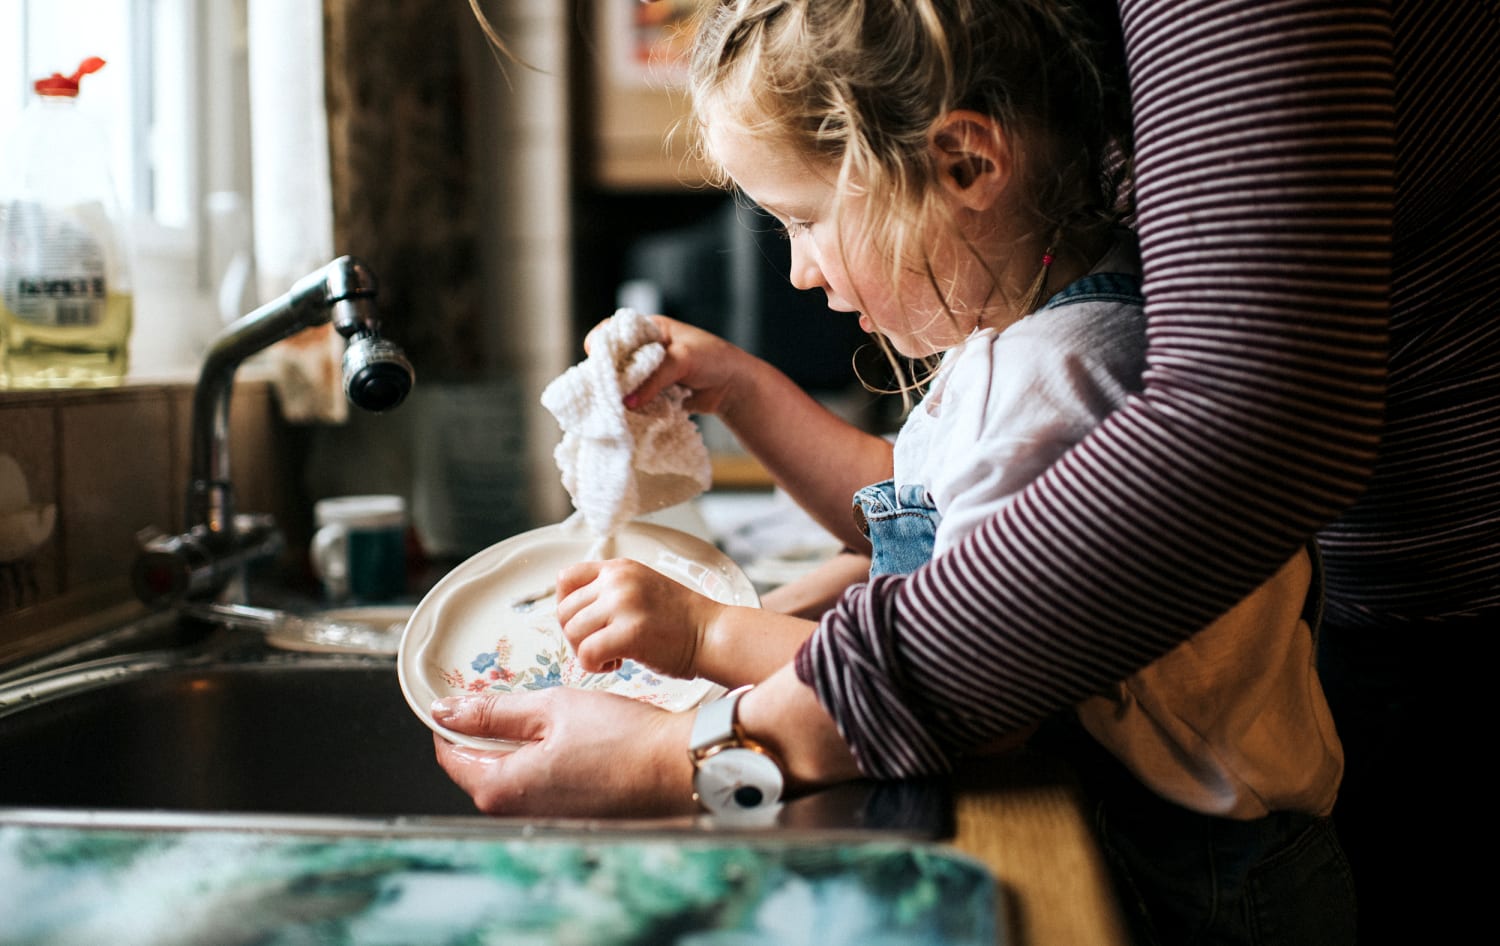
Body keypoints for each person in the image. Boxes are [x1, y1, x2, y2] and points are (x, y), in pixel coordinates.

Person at [444, 2, 1497, 944]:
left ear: (964, 166)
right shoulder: (1027, 338)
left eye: (806, 221)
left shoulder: (1058, 374)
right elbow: (908, 508)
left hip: (1211, 870)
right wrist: (749, 394)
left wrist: (704, 645)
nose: (800, 268)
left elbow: (991, 709)